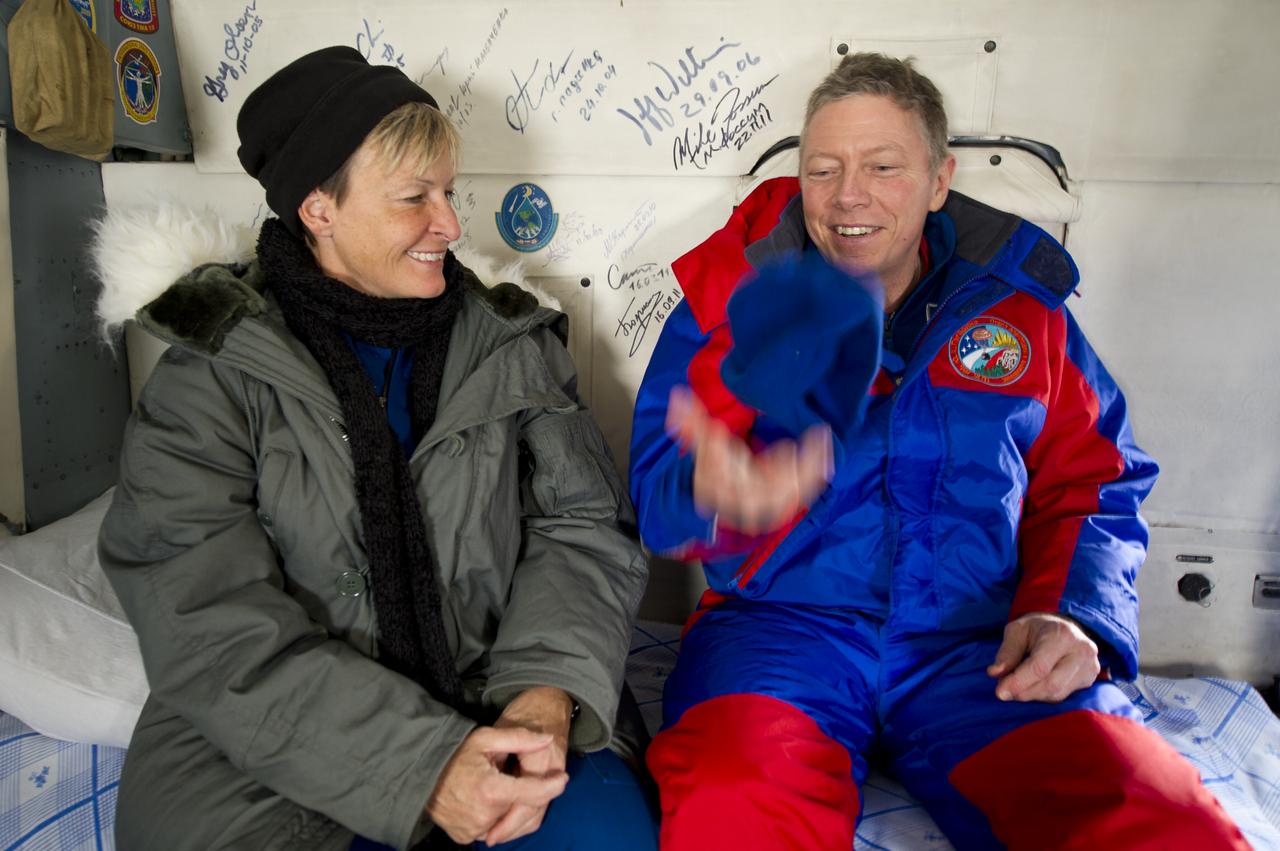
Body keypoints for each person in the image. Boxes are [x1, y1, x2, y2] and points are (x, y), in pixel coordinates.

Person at [628, 52, 1249, 850]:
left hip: (981, 650)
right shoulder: (732, 297)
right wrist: (717, 497)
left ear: (939, 179)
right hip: (777, 639)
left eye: (883, 166)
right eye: (823, 169)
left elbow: (1095, 477)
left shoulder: (1022, 310)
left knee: (1159, 820)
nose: (848, 194)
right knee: (731, 807)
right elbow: (657, 494)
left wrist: (1070, 612)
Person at [96, 46, 655, 851]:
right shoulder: (209, 378)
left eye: (449, 193)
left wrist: (547, 691)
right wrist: (423, 767)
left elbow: (582, 526)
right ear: (319, 208)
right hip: (273, 748)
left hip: (493, 694)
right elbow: (207, 624)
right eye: (413, 198)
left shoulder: (510, 343)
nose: (452, 225)